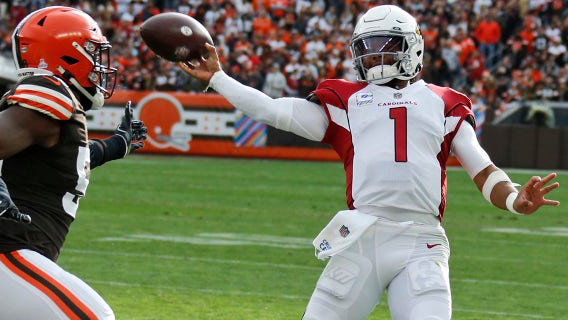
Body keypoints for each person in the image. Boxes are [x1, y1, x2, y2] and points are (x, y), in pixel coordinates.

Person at [178, 5, 561, 320]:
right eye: (367, 47)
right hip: (362, 237)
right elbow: (275, 110)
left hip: (421, 242)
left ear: (411, 47)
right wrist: (219, 78)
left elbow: (483, 168)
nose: (374, 55)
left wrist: (513, 199)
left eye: (385, 45)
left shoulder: (444, 101)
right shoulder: (347, 100)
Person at [0, 6, 147, 319]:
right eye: (93, 54)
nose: (100, 66)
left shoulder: (53, 114)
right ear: (67, 56)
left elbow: (67, 164)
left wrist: (116, 146)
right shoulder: (50, 90)